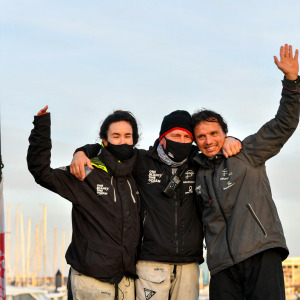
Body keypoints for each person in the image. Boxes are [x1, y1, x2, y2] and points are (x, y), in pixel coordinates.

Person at [70, 110, 241, 300]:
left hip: (189, 261)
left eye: (187, 137)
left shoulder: (198, 161)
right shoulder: (141, 160)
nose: (182, 140)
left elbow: (214, 144)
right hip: (150, 261)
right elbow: (114, 149)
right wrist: (83, 151)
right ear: (163, 138)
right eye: (176, 135)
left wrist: (229, 139)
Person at [191, 44, 299, 300]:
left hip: (260, 252)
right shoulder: (195, 173)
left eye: (214, 134)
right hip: (221, 266)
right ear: (195, 141)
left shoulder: (246, 152)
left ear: (224, 133)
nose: (208, 141)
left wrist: (292, 81)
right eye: (201, 137)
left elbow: (283, 124)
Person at [27, 107, 141, 300]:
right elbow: (42, 173)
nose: (122, 141)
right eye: (116, 136)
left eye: (127, 136)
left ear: (134, 140)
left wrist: (84, 149)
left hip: (127, 281)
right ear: (105, 141)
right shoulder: (87, 172)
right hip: (90, 280)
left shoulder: (138, 171)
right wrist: (41, 128)